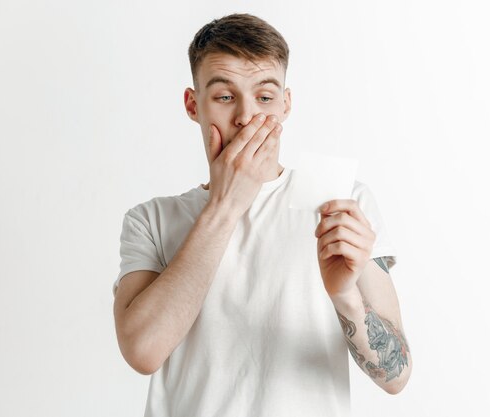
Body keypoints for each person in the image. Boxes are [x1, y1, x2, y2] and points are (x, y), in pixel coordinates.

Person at [113, 13, 411, 417]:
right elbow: (142, 352)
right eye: (223, 96)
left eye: (265, 97)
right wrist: (225, 205)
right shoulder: (151, 219)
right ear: (192, 105)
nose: (245, 117)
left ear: (286, 104)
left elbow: (396, 377)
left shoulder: (339, 199)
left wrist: (345, 295)